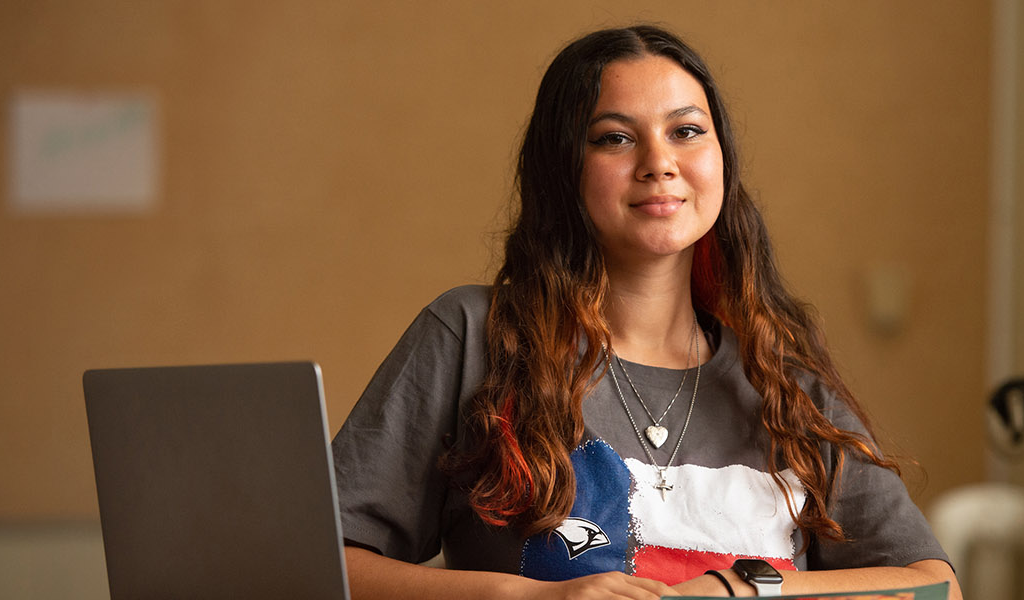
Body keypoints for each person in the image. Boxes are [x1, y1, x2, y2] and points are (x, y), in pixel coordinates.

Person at [332, 25, 960, 600]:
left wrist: (739, 590)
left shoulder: (783, 374)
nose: (659, 162)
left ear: (721, 160)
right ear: (563, 169)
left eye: (686, 131)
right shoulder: (475, 335)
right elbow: (323, 567)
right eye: (615, 138)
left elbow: (934, 587)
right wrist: (527, 597)